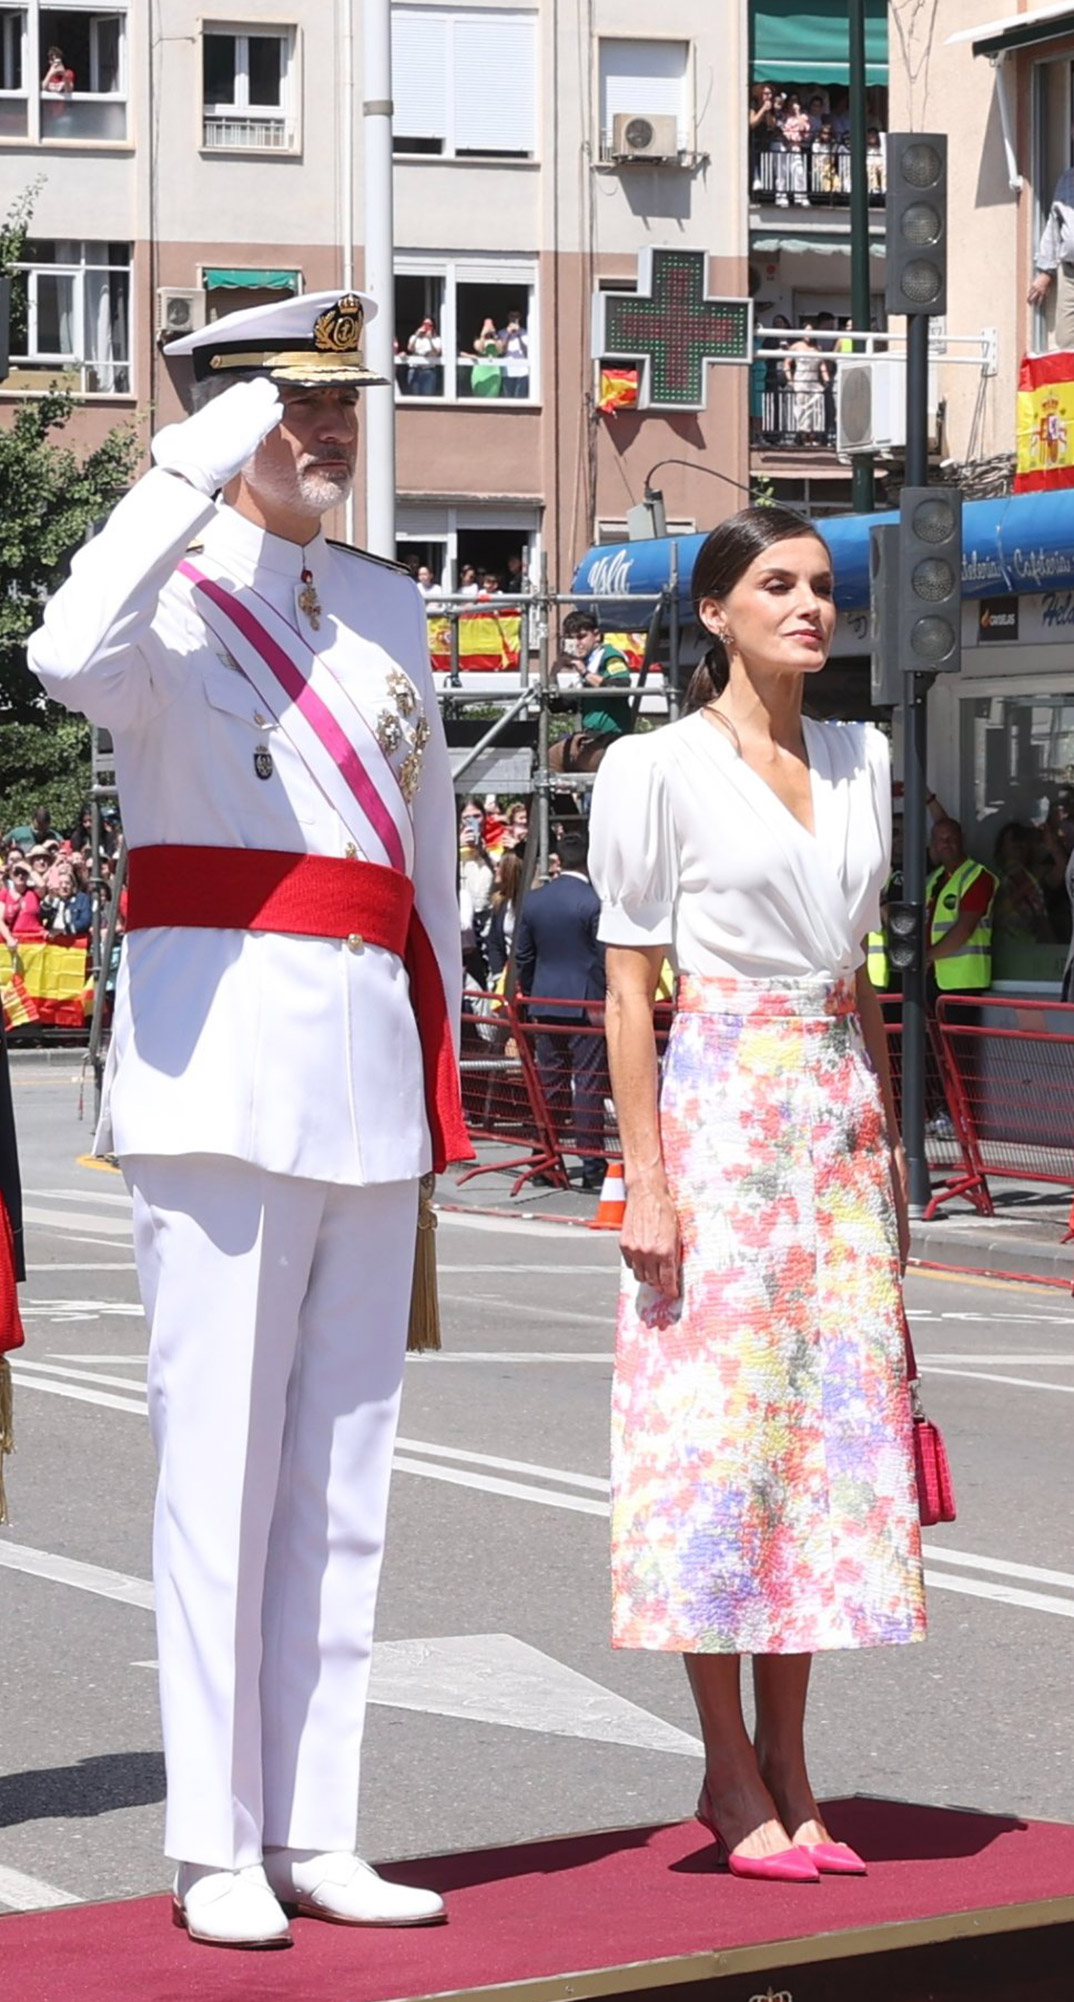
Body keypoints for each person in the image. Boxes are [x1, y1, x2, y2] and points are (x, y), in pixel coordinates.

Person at [27, 289, 468, 1949]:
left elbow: (415, 860)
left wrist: (438, 1063)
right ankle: (214, 1840)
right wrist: (195, 460)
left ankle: (316, 1825)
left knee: (342, 1479)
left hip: (358, 1064)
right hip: (216, 1073)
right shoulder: (162, 608)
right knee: (213, 1467)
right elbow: (61, 651)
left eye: (347, 403)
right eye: (296, 405)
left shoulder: (383, 607)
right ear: (221, 419)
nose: (330, 432)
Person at [588, 506, 924, 1884]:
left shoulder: (862, 757)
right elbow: (625, 985)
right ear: (713, 610)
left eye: (822, 587)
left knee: (826, 1449)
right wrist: (647, 1182)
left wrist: (886, 1141)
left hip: (832, 1121)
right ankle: (728, 1769)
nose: (809, 607)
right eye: (776, 585)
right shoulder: (651, 765)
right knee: (714, 1448)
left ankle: (793, 1757)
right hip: (717, 1110)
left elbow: (853, 976)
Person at [514, 829, 609, 1190]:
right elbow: (603, 957)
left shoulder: (536, 902)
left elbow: (523, 955)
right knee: (588, 1084)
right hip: (586, 1003)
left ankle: (545, 1157)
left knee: (549, 1083)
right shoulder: (594, 902)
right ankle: (591, 1162)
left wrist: (533, 989)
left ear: (557, 860)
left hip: (546, 1000)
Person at [926, 819, 999, 995]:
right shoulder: (933, 879)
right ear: (933, 845)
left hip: (965, 982)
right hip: (934, 977)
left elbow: (964, 929)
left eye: (951, 838)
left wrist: (926, 957)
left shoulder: (978, 877)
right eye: (940, 839)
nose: (945, 843)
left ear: (962, 839)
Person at [1028, 137, 1074, 348]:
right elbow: (1054, 226)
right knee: (1066, 339)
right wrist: (1046, 271)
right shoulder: (1068, 179)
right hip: (1070, 272)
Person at [561, 609, 631, 744]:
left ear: (597, 635)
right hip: (590, 736)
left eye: (581, 637)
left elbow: (621, 687)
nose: (576, 643)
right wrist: (554, 672)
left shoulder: (609, 655)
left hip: (612, 737)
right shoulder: (586, 662)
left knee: (554, 759)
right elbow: (561, 705)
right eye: (571, 638)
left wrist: (585, 673)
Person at [485, 847, 524, 981]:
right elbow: (493, 941)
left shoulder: (530, 902)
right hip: (505, 975)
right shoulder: (500, 902)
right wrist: (498, 973)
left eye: (499, 866)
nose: (495, 870)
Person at [406, 317, 443, 395]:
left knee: (427, 397)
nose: (427, 327)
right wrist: (416, 335)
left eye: (429, 325)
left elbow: (436, 352)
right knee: (414, 396)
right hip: (415, 370)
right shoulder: (414, 337)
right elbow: (410, 348)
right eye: (425, 324)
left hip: (428, 371)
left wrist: (430, 339)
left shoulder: (437, 339)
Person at [499, 310, 529, 398]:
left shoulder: (525, 333)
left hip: (522, 372)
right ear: (508, 317)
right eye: (512, 316)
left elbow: (526, 352)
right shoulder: (502, 332)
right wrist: (508, 335)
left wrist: (518, 335)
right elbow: (501, 352)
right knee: (508, 399)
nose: (514, 319)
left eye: (516, 316)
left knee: (520, 399)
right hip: (507, 371)